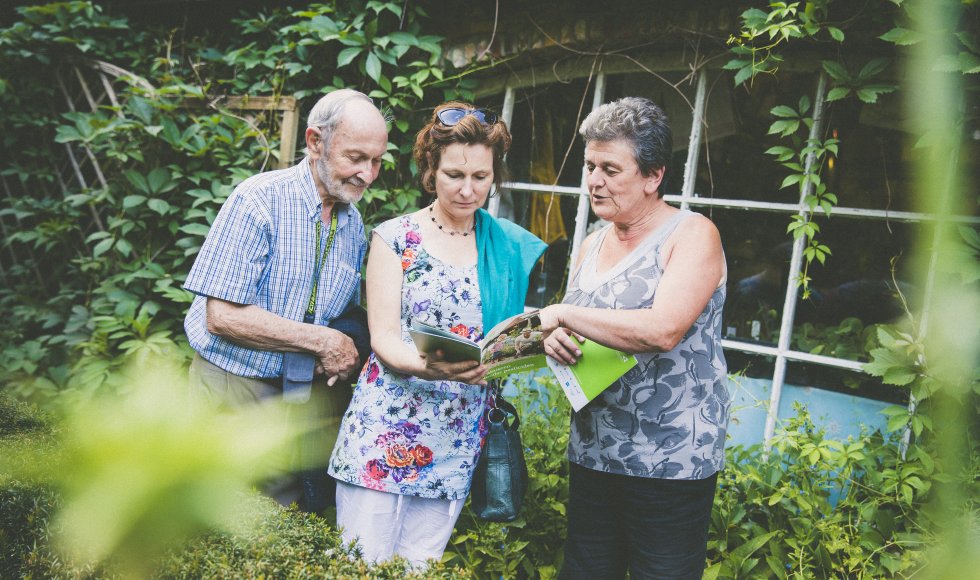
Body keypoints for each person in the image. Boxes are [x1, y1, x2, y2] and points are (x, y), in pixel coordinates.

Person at [328, 102, 546, 566]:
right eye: (454, 175)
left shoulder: (504, 244)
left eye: (481, 177)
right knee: (358, 566)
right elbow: (384, 340)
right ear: (431, 171)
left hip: (459, 430)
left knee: (419, 569)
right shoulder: (396, 238)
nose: (469, 190)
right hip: (386, 426)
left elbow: (509, 334)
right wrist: (438, 366)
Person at [538, 97, 730, 580]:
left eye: (610, 168)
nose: (593, 181)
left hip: (669, 460)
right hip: (595, 451)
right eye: (589, 165)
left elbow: (663, 329)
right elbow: (580, 327)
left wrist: (563, 313)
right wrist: (556, 337)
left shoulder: (692, 235)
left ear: (653, 176)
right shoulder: (591, 242)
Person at [182, 89, 387, 508]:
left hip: (298, 393)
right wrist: (322, 342)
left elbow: (337, 310)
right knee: (218, 514)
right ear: (315, 142)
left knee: (282, 518)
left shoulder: (352, 220)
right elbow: (220, 316)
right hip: (234, 385)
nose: (367, 174)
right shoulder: (259, 199)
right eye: (355, 157)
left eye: (377, 161)